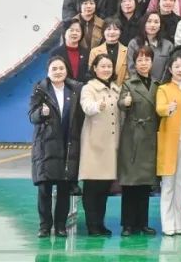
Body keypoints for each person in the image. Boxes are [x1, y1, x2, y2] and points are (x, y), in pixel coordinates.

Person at [29, 56, 83, 237]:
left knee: (63, 188)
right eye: (54, 69)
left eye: (61, 68)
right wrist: (40, 113)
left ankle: (60, 225)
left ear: (66, 70)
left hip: (68, 144)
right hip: (46, 146)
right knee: (44, 189)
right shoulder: (40, 90)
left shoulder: (75, 89)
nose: (58, 72)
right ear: (48, 71)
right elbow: (31, 116)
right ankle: (44, 226)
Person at [117, 46, 159, 236]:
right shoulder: (128, 83)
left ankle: (142, 223)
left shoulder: (158, 84)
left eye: (147, 59)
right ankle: (127, 224)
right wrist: (123, 103)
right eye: (140, 60)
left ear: (152, 62)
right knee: (130, 183)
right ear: (135, 63)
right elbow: (121, 102)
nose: (143, 63)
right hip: (132, 136)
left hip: (150, 136)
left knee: (144, 184)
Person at [79, 53, 121, 236]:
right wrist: (98, 106)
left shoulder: (115, 88)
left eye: (109, 66)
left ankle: (100, 223)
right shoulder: (89, 88)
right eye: (102, 66)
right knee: (92, 187)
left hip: (111, 146)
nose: (106, 69)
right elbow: (87, 107)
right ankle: (92, 224)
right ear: (94, 68)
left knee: (104, 188)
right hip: (94, 145)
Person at [155, 53, 181, 236]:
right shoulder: (163, 89)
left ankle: (179, 223)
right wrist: (167, 109)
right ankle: (167, 224)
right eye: (176, 66)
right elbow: (159, 108)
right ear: (170, 69)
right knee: (168, 184)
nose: (180, 69)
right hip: (170, 141)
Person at [126, 13, 173, 82]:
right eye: (149, 21)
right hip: (139, 88)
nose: (152, 25)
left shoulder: (168, 45)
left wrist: (160, 86)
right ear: (144, 24)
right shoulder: (134, 44)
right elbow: (131, 68)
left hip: (161, 87)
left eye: (156, 22)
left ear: (160, 26)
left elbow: (168, 70)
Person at [48, 19, 90, 83]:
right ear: (65, 32)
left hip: (83, 89)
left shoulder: (87, 53)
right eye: (71, 30)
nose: (74, 33)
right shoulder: (55, 53)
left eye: (78, 31)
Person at [88, 21, 127, 85]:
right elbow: (92, 74)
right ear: (103, 32)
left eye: (115, 29)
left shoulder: (126, 51)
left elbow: (129, 75)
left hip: (122, 90)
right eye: (108, 29)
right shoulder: (94, 52)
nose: (112, 32)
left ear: (120, 32)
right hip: (100, 90)